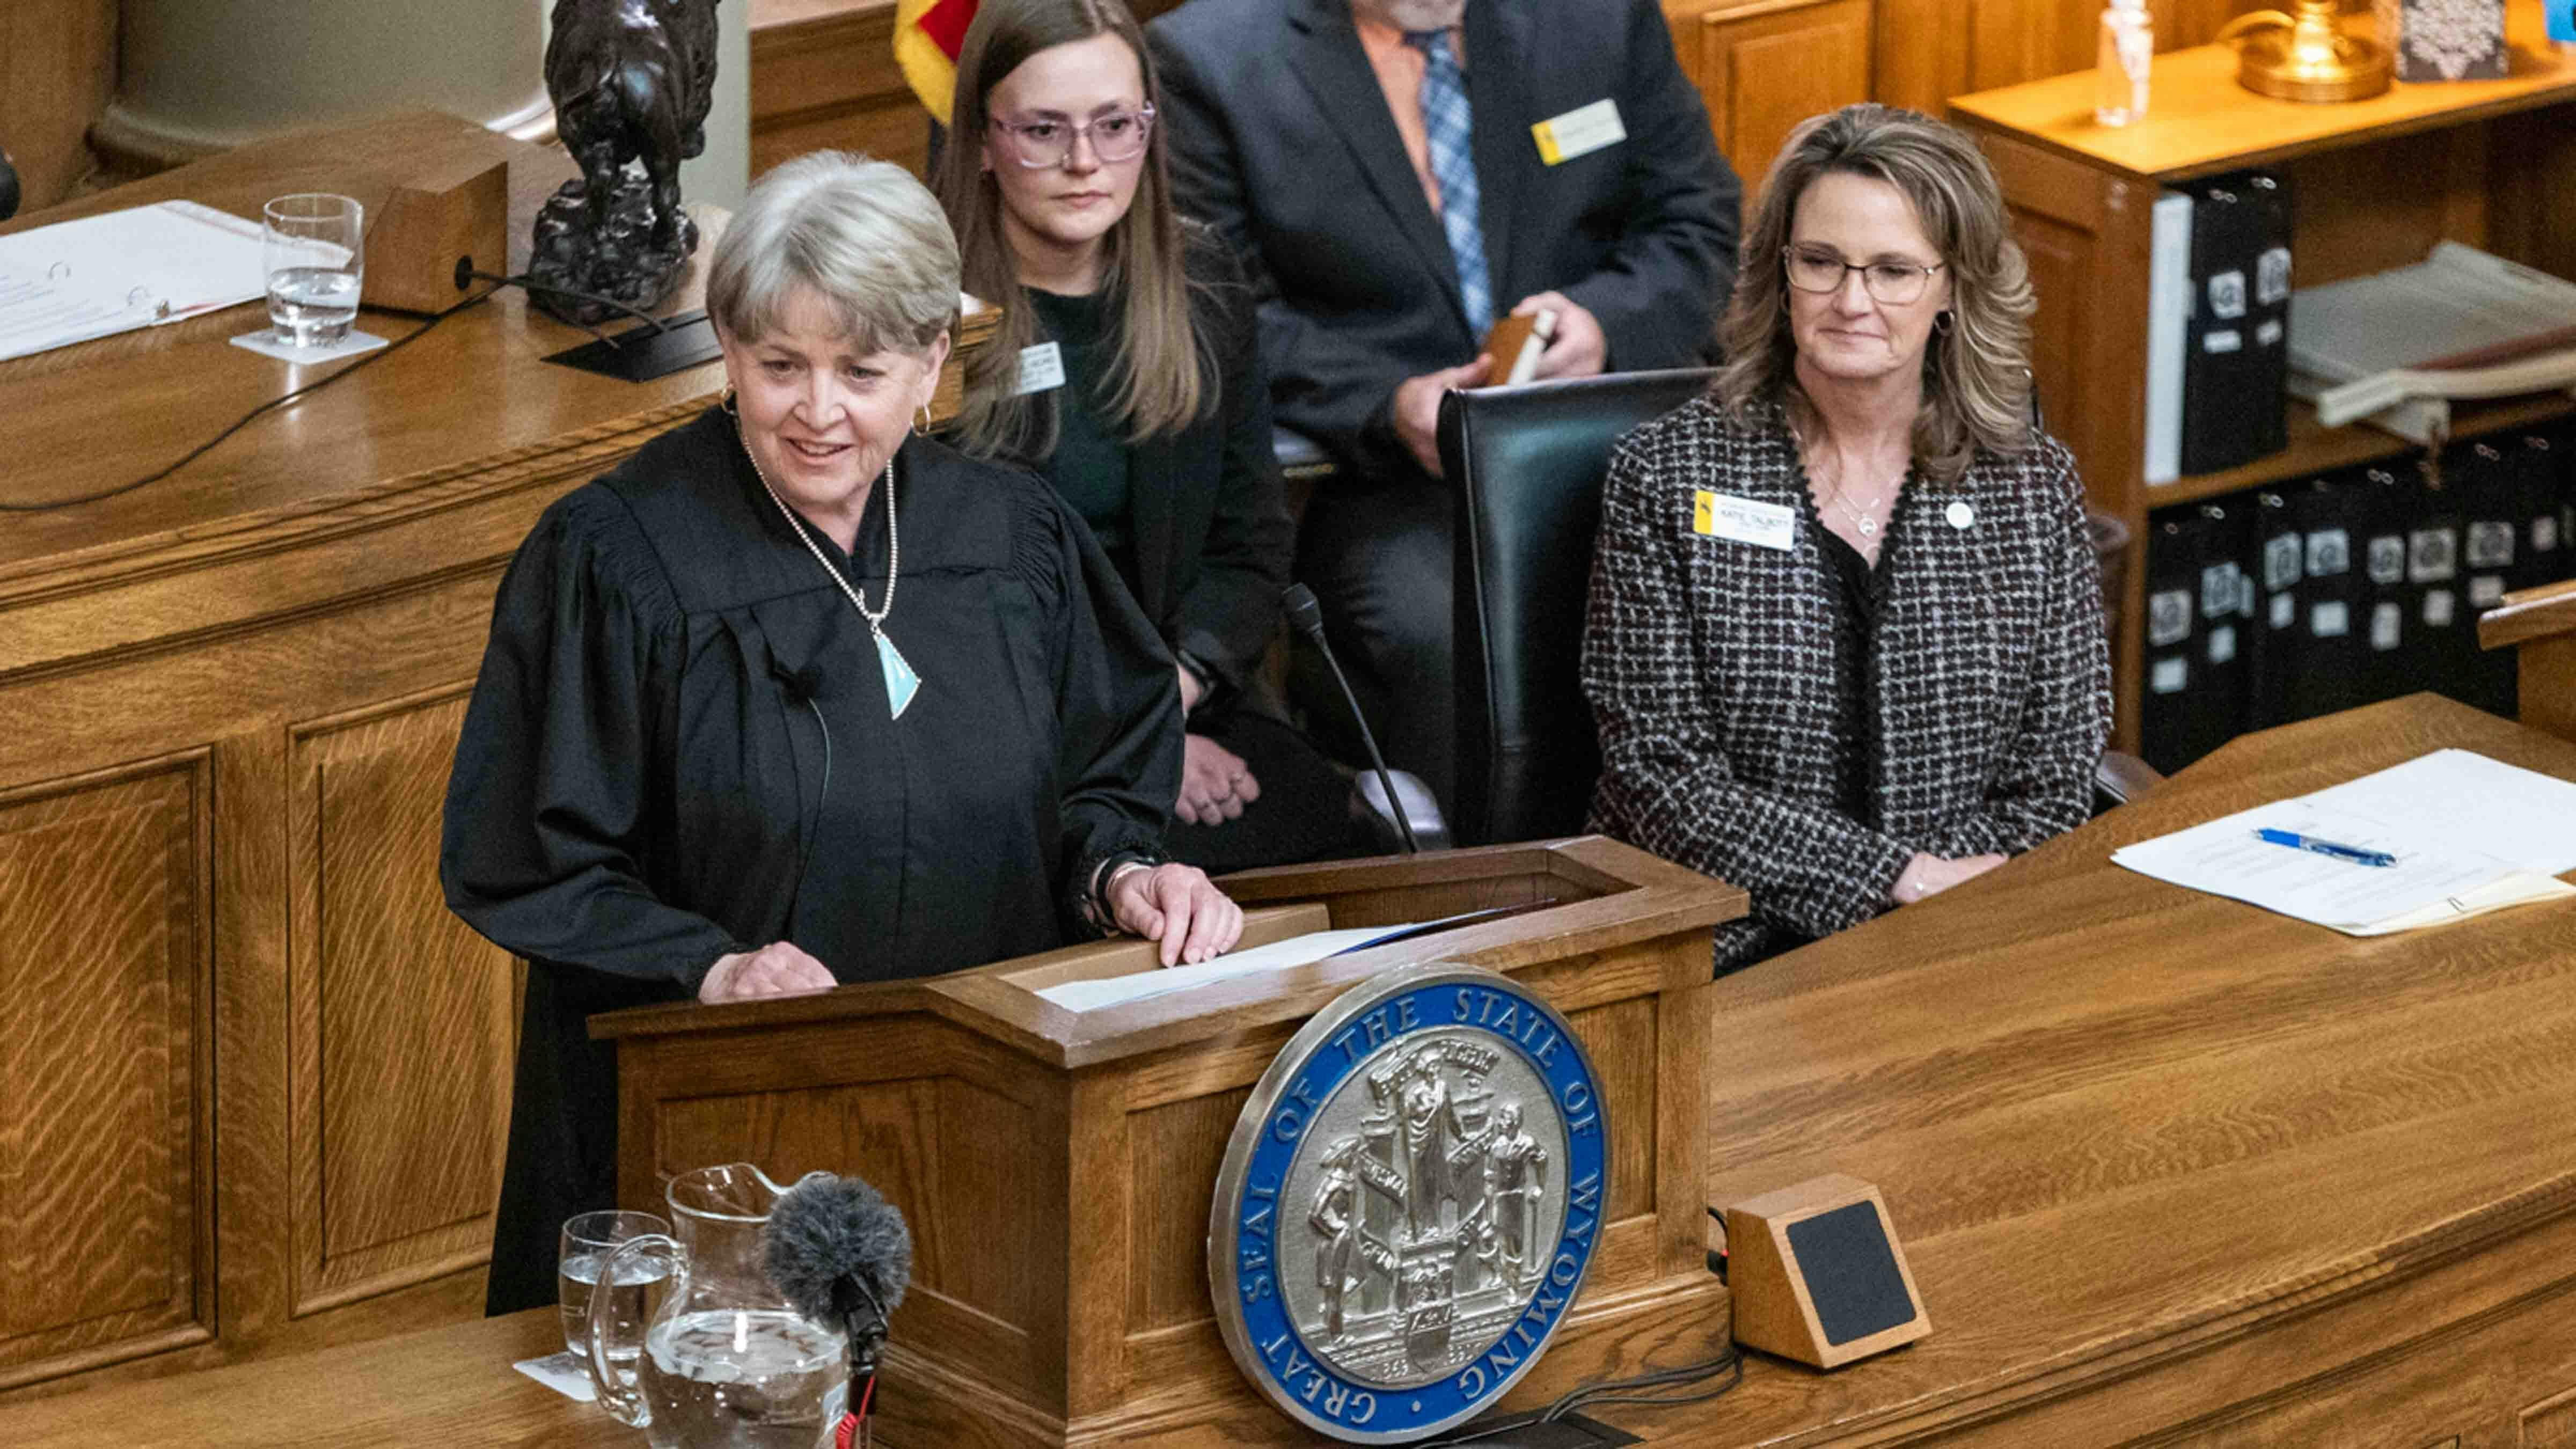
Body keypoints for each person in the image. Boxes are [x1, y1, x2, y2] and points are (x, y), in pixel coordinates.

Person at [441, 151, 1243, 1314]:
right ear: (727, 345)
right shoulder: (621, 558)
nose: (819, 412)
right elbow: (530, 854)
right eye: (780, 366)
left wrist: (1123, 871)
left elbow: (1094, 775)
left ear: (931, 364)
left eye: (862, 371)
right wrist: (710, 966)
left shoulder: (1010, 537)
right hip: (712, 1135)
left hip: (975, 1105)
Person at [1150, 0, 1740, 809]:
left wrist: (1603, 324)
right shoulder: (1207, 61)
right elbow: (1223, 312)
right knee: (1458, 641)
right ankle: (1487, 890)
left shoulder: (1601, 17)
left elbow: (1697, 223)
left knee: (1738, 597)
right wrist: (1387, 403)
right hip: (1390, 482)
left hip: (1615, 444)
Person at [1581, 104, 2110, 974]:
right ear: (1779, 273)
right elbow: (1658, 777)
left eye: (1895, 270)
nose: (1851, 301)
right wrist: (1891, 878)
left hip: (1963, 935)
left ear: (1953, 289)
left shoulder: (2031, 487)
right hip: (1725, 951)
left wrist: (1939, 897)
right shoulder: (1667, 476)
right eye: (1821, 263)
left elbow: (2056, 774)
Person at [934, 0, 1381, 873]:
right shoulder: (925, 315)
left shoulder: (1203, 282)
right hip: (997, 735)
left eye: (1114, 126)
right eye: (1042, 131)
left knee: (1342, 846)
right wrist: (1126, 747)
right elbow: (939, 608)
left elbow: (1248, 541)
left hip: (1187, 697)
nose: (1084, 163)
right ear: (983, 137)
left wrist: (1164, 704)